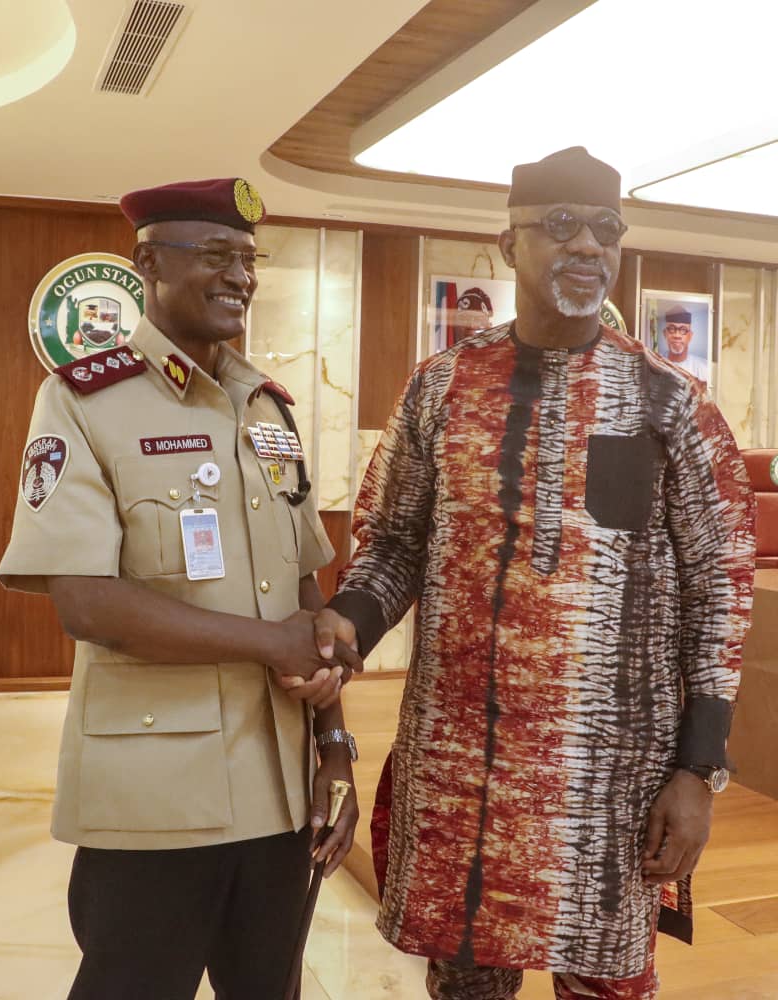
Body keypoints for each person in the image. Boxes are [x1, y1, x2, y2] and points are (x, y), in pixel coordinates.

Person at [287, 148, 756, 998]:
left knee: (610, 983)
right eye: (561, 225)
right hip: (463, 766)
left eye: (606, 228)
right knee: (465, 984)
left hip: (616, 777)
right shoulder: (441, 389)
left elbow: (719, 592)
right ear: (510, 245)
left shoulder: (671, 404)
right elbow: (394, 545)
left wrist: (698, 769)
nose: (588, 245)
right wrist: (348, 622)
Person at [0, 177, 361, 1000]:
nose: (241, 277)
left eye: (250, 259)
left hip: (279, 794)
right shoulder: (83, 401)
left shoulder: (267, 408)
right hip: (155, 800)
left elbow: (303, 589)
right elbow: (86, 601)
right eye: (217, 255)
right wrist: (274, 644)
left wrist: (335, 747)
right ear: (150, 264)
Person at [662, 304, 709, 381]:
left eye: (683, 330)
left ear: (690, 336)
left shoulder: (704, 368)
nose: (677, 335)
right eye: (671, 329)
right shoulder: (655, 363)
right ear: (665, 334)